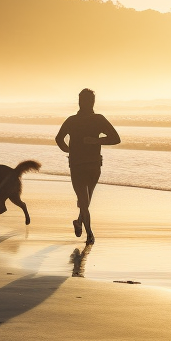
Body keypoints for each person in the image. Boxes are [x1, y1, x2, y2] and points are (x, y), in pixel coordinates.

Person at [54, 88, 120, 244]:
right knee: (84, 200)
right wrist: (71, 152)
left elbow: (116, 138)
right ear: (81, 102)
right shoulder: (75, 120)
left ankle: (79, 222)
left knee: (86, 200)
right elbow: (59, 139)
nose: (88, 103)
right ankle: (89, 233)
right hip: (80, 165)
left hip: (90, 164)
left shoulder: (96, 119)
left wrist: (95, 141)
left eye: (89, 101)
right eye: (86, 101)